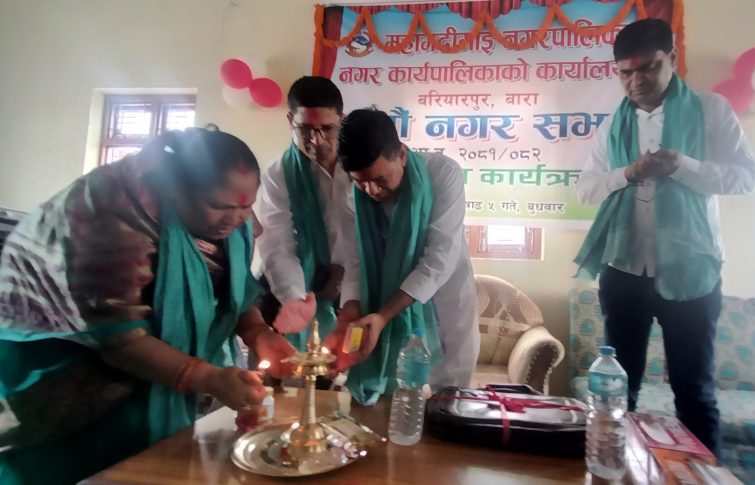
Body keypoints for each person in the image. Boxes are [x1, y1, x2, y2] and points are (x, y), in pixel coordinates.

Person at [0, 127, 296, 484]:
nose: (235, 219)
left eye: (246, 207)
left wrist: (258, 333)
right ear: (177, 189)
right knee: (92, 467)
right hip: (62, 364)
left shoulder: (233, 217)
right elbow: (122, 343)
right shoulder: (114, 217)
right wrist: (209, 378)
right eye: (220, 206)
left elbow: (233, 287)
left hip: (147, 357)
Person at [574, 19, 755, 457]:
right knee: (618, 390)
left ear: (672, 59)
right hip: (624, 271)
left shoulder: (711, 110)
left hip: (691, 271)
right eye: (625, 72)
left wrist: (684, 166)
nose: (636, 81)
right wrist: (628, 173)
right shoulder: (612, 124)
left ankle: (702, 477)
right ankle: (614, 471)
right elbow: (586, 190)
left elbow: (746, 177)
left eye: (648, 68)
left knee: (693, 392)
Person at [324, 109, 479, 405]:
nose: (371, 190)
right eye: (361, 182)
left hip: (444, 302)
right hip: (380, 305)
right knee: (386, 404)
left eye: (380, 179)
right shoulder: (346, 190)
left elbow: (439, 258)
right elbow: (354, 260)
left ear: (402, 155)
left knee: (449, 401)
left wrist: (383, 316)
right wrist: (348, 316)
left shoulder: (442, 174)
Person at [257, 76, 350, 350]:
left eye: (327, 129)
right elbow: (278, 244)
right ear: (290, 120)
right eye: (305, 129)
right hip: (297, 281)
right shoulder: (279, 173)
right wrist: (297, 300)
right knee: (287, 362)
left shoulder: (360, 165)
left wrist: (343, 275)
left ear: (342, 120)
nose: (316, 140)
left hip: (357, 280)